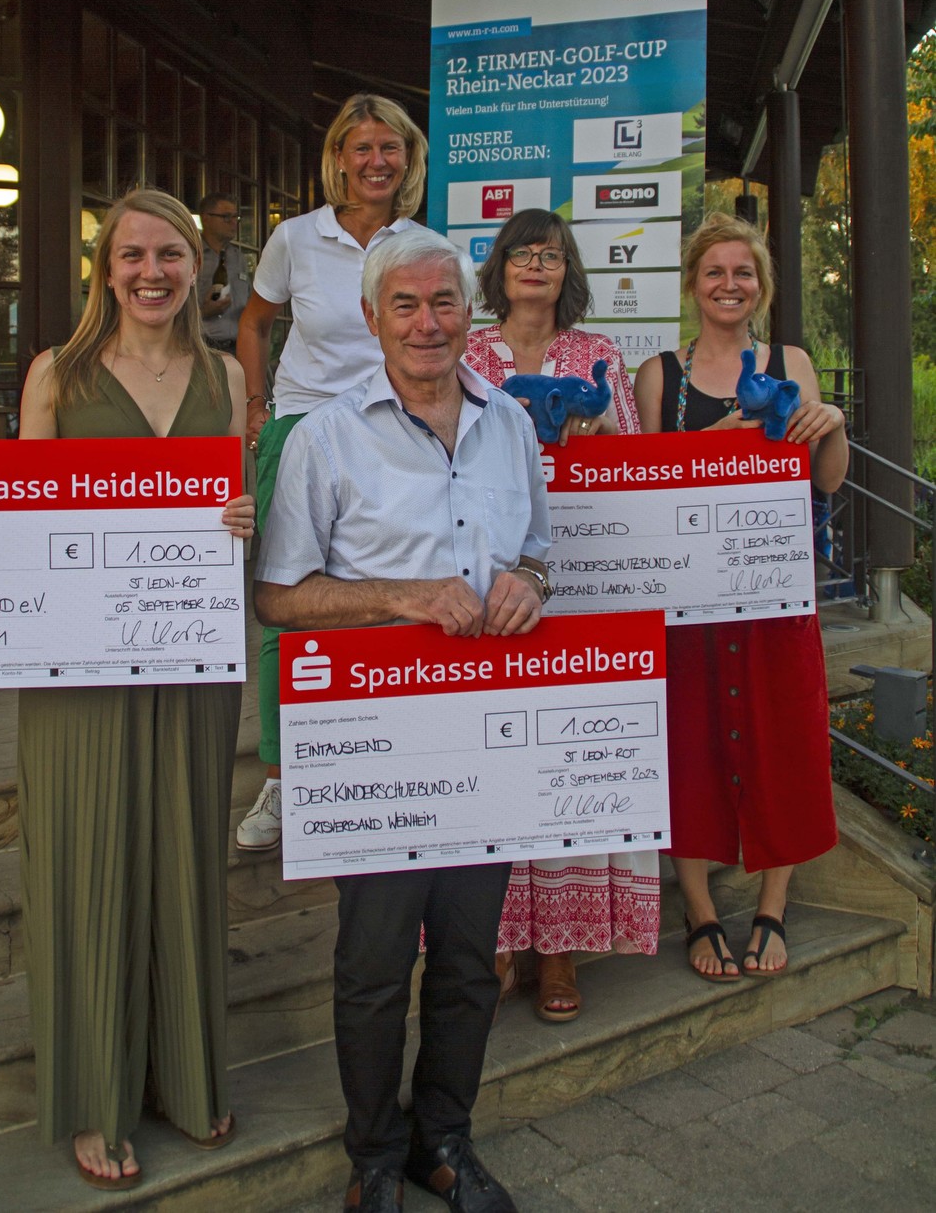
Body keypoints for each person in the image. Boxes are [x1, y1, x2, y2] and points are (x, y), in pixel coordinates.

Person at [0, 188, 257, 1188]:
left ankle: (185, 1076)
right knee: (87, 860)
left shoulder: (231, 376)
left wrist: (239, 518)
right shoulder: (56, 376)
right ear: (104, 270)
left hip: (190, 663)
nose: (151, 272)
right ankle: (93, 1096)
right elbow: (16, 523)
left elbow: (239, 514)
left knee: (187, 854)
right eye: (132, 255)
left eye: (171, 255)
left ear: (198, 268)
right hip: (79, 671)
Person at [255, 227, 548, 1213]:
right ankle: (374, 1156)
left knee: (468, 961)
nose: (429, 323)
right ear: (374, 318)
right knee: (375, 963)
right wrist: (405, 597)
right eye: (407, 306)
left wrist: (528, 583)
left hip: (484, 740)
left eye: (445, 303)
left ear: (472, 314)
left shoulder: (510, 423)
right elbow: (279, 599)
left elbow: (539, 552)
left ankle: (446, 1141)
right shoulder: (325, 436)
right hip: (376, 739)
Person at [633, 211, 848, 981]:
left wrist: (832, 424)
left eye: (744, 273)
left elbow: (825, 480)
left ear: (761, 285)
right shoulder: (659, 373)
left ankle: (771, 905)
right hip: (688, 600)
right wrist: (721, 435)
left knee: (780, 737)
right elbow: (644, 491)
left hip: (774, 592)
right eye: (715, 271)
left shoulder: (791, 361)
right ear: (693, 283)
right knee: (687, 745)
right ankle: (697, 908)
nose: (730, 284)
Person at [463, 209, 658, 1023]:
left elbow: (637, 461)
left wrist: (604, 425)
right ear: (500, 268)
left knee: (569, 755)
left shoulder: (600, 355)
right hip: (489, 574)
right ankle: (493, 938)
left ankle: (561, 950)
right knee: (495, 755)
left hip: (586, 571)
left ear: (566, 269)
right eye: (521, 253)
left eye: (549, 255)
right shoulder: (469, 352)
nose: (534, 266)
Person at [234, 93, 428, 851]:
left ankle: (368, 759)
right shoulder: (295, 237)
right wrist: (256, 403)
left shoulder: (423, 240)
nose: (377, 161)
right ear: (339, 159)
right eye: (363, 148)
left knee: (384, 596)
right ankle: (284, 779)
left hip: (392, 436)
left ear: (408, 160)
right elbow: (254, 323)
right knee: (287, 606)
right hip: (304, 429)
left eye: (392, 148)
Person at [197, 192, 250, 353]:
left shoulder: (238, 258)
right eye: (227, 217)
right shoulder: (190, 254)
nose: (234, 223)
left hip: (237, 349)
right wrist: (203, 312)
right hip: (200, 347)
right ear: (206, 218)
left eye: (236, 217)